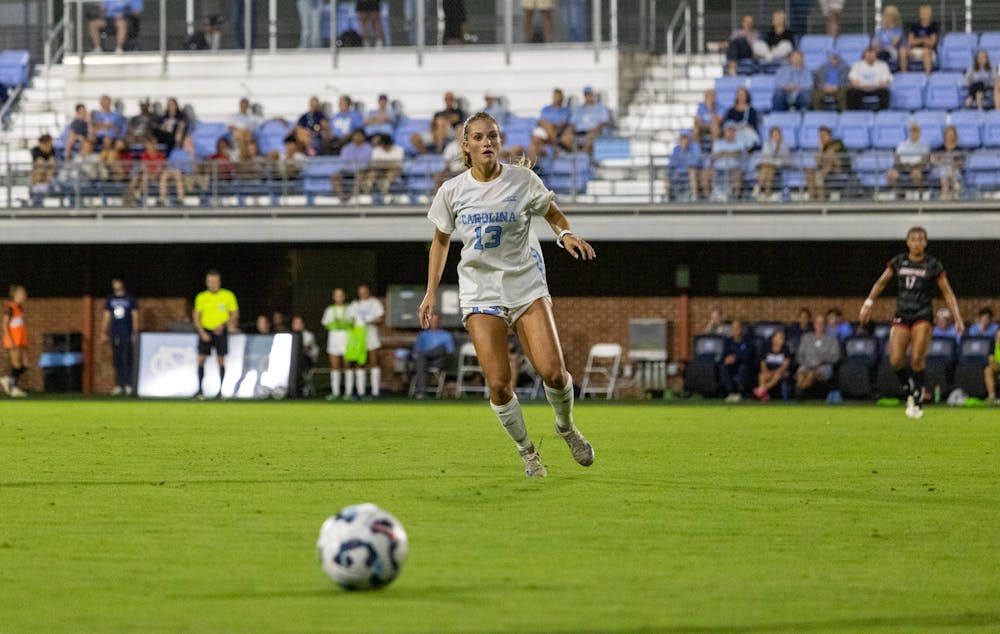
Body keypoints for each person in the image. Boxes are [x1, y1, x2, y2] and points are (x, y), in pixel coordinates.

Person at [417, 111, 596, 478]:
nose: (488, 143)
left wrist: (566, 235)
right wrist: (430, 292)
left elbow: (553, 213)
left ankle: (566, 427)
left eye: (493, 136)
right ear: (465, 146)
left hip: (525, 285)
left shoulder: (522, 180)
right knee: (499, 384)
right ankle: (527, 452)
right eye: (479, 137)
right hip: (481, 291)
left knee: (554, 373)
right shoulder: (452, 191)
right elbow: (440, 242)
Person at [859, 226, 963, 419]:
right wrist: (868, 303)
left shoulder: (933, 265)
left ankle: (917, 397)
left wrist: (957, 318)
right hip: (902, 315)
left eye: (920, 239)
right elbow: (881, 282)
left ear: (925, 243)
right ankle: (910, 388)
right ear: (907, 242)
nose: (917, 243)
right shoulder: (898, 262)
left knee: (916, 359)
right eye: (913, 239)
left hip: (923, 315)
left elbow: (947, 293)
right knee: (896, 360)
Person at [192, 269, 240, 399]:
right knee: (201, 359)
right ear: (207, 282)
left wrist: (225, 325)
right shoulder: (201, 297)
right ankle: (200, 390)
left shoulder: (228, 295)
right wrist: (202, 332)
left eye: (215, 281)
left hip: (220, 332)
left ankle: (220, 391)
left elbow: (235, 313)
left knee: (221, 360)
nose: (212, 284)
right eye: (210, 281)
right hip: (205, 331)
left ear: (219, 282)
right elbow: (196, 316)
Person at [101, 278, 139, 395]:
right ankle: (119, 384)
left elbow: (135, 316)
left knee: (127, 358)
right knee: (117, 359)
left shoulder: (130, 298)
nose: (116, 285)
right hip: (115, 332)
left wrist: (135, 331)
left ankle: (128, 384)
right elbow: (106, 316)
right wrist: (103, 332)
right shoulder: (110, 299)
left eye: (118, 283)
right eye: (114, 283)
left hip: (127, 332)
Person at [345, 284, 385, 399]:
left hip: (371, 336)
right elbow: (350, 320)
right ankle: (361, 392)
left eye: (365, 291)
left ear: (369, 291)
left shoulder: (374, 303)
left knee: (374, 362)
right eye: (360, 291)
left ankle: (375, 392)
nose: (363, 293)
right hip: (358, 338)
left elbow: (381, 318)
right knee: (360, 363)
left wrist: (371, 322)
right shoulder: (354, 305)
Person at [795, 314, 841, 398]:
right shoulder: (806, 337)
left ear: (825, 325)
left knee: (811, 374)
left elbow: (836, 356)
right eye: (818, 323)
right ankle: (801, 392)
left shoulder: (832, 339)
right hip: (806, 364)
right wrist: (807, 363)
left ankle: (800, 394)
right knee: (801, 374)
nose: (820, 325)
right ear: (814, 324)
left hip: (824, 366)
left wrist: (823, 360)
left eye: (822, 323)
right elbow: (800, 355)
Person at [410, 312, 455, 398]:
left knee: (441, 348)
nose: (434, 323)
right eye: (432, 321)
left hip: (439, 360)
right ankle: (422, 392)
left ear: (439, 322)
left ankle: (421, 392)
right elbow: (416, 351)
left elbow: (450, 352)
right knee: (421, 360)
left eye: (436, 321)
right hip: (424, 362)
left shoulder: (446, 335)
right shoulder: (422, 335)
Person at [321, 288, 351, 400]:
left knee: (347, 366)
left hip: (347, 340)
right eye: (337, 295)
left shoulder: (349, 309)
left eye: (341, 295)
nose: (339, 297)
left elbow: (352, 323)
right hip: (334, 341)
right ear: (333, 297)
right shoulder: (329, 310)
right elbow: (326, 323)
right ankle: (335, 392)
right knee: (335, 367)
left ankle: (348, 392)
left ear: (344, 296)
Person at [561, 86, 610, 154]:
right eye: (586, 94)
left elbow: (604, 122)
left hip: (593, 131)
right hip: (579, 132)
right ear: (584, 95)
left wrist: (595, 129)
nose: (588, 96)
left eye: (590, 94)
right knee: (565, 137)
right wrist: (568, 131)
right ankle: (578, 154)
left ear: (593, 95)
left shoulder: (601, 108)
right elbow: (572, 123)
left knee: (590, 137)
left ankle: (583, 155)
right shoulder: (579, 109)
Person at [1, 284, 29, 398]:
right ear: (16, 295)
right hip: (13, 340)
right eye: (22, 293)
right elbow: (4, 324)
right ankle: (12, 388)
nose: (25, 295)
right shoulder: (10, 308)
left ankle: (8, 380)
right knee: (16, 365)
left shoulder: (20, 308)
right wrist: (10, 339)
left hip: (21, 340)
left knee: (26, 364)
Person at [887, 123, 930, 196]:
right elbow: (897, 159)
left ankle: (919, 195)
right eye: (912, 131)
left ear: (920, 132)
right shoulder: (902, 144)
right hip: (902, 168)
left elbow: (924, 160)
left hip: (917, 168)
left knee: (916, 174)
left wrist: (913, 166)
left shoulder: (924, 145)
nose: (914, 133)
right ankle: (900, 194)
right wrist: (904, 166)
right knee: (891, 174)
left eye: (916, 131)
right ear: (909, 132)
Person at [806, 126, 848, 201]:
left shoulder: (838, 142)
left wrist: (824, 152)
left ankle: (821, 198)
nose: (821, 138)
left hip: (839, 169)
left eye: (823, 135)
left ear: (829, 136)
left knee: (830, 156)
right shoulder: (822, 147)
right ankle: (812, 198)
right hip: (826, 171)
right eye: (820, 136)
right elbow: (817, 162)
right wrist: (821, 148)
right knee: (810, 172)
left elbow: (831, 151)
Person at [847, 46, 892, 111]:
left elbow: (885, 82)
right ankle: (854, 113)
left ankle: (882, 113)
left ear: (876, 55)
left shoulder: (883, 65)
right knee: (851, 92)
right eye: (868, 54)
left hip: (877, 89)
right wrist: (863, 87)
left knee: (885, 92)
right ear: (864, 55)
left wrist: (873, 87)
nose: (870, 56)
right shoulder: (857, 65)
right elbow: (853, 82)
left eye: (872, 54)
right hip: (861, 89)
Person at [332, 128, 372, 202]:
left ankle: (351, 195)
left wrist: (356, 167)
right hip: (347, 171)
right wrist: (351, 167)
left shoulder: (368, 148)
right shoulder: (347, 148)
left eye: (360, 135)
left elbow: (366, 163)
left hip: (361, 171)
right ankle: (342, 196)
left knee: (360, 174)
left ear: (363, 137)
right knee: (335, 176)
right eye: (356, 135)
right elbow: (343, 162)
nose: (357, 137)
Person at [708, 121, 745, 201]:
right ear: (724, 132)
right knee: (706, 173)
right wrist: (731, 153)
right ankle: (706, 197)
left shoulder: (739, 142)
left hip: (734, 168)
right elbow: (716, 155)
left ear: (734, 132)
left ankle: (735, 198)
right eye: (728, 130)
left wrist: (723, 153)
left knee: (738, 174)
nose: (730, 132)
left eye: (732, 130)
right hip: (719, 168)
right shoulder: (718, 142)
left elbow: (739, 153)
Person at [720, 319, 754, 403]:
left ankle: (739, 392)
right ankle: (731, 392)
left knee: (743, 367)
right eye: (733, 328)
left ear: (742, 329)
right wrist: (727, 359)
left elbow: (747, 355)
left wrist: (736, 358)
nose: (735, 330)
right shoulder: (728, 341)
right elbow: (724, 354)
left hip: (743, 364)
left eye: (737, 328)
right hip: (731, 365)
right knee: (723, 367)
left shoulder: (748, 341)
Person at [753, 330, 791, 402]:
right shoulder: (766, 348)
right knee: (761, 376)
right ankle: (764, 397)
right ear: (774, 339)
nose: (782, 340)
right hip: (768, 371)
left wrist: (773, 373)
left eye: (783, 338)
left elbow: (785, 366)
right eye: (780, 338)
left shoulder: (786, 349)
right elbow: (763, 364)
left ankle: (761, 389)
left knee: (777, 375)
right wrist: (767, 372)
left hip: (781, 372)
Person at [900, 5, 939, 74]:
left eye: (926, 13)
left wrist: (917, 40)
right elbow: (910, 41)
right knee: (903, 50)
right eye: (922, 13)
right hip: (915, 50)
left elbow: (932, 43)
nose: (924, 15)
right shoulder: (915, 27)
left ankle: (928, 76)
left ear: (930, 15)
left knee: (925, 51)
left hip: (929, 51)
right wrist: (924, 39)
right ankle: (904, 75)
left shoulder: (933, 26)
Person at [365, 133, 403, 200]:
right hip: (379, 171)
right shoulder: (376, 150)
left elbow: (398, 165)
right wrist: (389, 164)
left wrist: (382, 164)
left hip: (393, 172)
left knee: (391, 174)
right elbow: (374, 165)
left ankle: (384, 194)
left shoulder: (399, 149)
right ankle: (368, 193)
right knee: (372, 174)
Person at [755, 126, 790, 200]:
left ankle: (758, 186)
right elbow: (765, 157)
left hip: (779, 167)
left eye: (777, 134)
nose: (776, 136)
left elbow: (786, 160)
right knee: (768, 168)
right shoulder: (766, 144)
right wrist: (775, 160)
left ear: (780, 135)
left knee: (767, 168)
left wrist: (775, 160)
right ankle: (768, 193)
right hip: (768, 166)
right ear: (771, 135)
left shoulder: (784, 146)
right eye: (774, 134)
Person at [666, 131, 701, 202]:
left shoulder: (694, 147)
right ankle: (668, 197)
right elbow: (672, 164)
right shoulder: (676, 149)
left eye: (685, 138)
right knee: (668, 176)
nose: (684, 140)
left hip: (689, 173)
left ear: (689, 139)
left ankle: (694, 195)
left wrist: (684, 152)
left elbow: (694, 162)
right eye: (682, 138)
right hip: (678, 174)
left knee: (692, 171)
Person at [932, 125, 964, 200]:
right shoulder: (939, 149)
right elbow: (933, 161)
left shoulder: (959, 149)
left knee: (950, 172)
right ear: (945, 135)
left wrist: (952, 167)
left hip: (954, 171)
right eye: (948, 134)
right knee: (944, 171)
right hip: (940, 170)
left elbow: (960, 162)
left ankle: (951, 193)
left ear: (955, 136)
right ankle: (947, 192)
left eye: (951, 135)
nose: (949, 137)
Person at [723, 87, 760, 152]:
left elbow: (753, 126)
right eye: (739, 94)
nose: (741, 97)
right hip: (734, 134)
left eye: (743, 94)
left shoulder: (752, 111)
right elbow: (727, 125)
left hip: (747, 134)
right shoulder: (730, 111)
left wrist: (742, 127)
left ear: (747, 96)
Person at [292, 315, 319, 397]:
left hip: (306, 361)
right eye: (295, 323)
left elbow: (304, 349)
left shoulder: (308, 335)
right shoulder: (290, 335)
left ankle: (300, 390)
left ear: (303, 324)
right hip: (293, 361)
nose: (298, 325)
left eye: (299, 323)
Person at [873, 5, 904, 70]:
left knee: (882, 54)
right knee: (868, 53)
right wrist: (877, 48)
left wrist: (881, 48)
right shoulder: (880, 30)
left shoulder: (898, 30)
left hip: (891, 51)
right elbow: (876, 42)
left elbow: (894, 43)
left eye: (890, 15)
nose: (888, 17)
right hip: (880, 50)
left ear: (894, 17)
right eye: (886, 15)